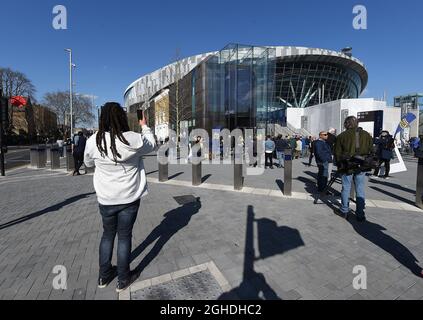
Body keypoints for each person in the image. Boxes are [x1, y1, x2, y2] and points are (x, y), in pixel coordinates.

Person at [83, 102, 156, 292]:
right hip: (130, 198)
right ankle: (123, 279)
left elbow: (88, 163)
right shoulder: (133, 138)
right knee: (124, 237)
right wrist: (144, 125)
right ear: (122, 118)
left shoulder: (94, 140)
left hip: (106, 199)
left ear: (102, 119)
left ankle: (104, 275)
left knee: (107, 235)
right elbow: (152, 144)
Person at [334, 116, 373, 222]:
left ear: (346, 124)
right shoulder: (366, 135)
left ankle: (344, 210)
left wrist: (339, 165)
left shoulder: (342, 136)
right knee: (360, 189)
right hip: (362, 165)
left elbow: (337, 153)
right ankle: (360, 214)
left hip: (347, 166)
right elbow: (371, 150)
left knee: (346, 187)